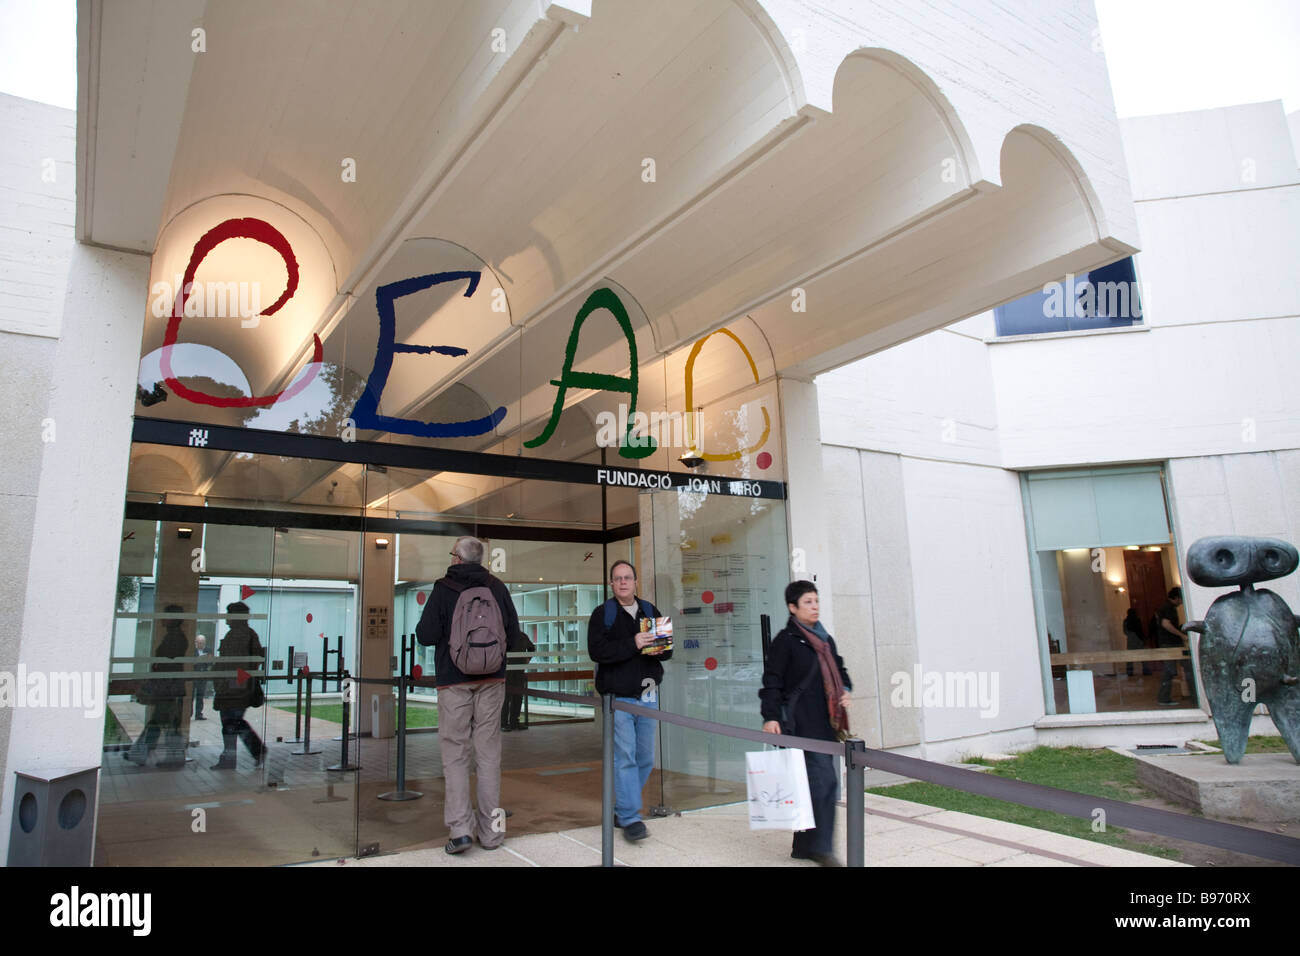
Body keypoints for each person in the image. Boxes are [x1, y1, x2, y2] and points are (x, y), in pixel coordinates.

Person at [416, 535, 523, 855]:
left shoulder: (443, 588)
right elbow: (515, 635)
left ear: (458, 559)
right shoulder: (497, 587)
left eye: (452, 555)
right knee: (489, 756)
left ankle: (461, 831)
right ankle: (492, 834)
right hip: (492, 680)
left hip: (453, 681)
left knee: (456, 754)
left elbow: (425, 635)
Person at [759, 580, 852, 866]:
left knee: (808, 784)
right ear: (792, 608)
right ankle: (823, 848)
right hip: (799, 724)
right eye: (808, 602)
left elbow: (839, 668)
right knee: (825, 782)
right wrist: (771, 716)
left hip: (825, 723)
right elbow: (771, 681)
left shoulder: (825, 639)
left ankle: (803, 846)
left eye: (816, 601)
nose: (815, 607)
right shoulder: (785, 641)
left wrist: (845, 690)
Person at [586, 559, 670, 843]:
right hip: (618, 698)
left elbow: (666, 653)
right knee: (625, 757)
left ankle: (622, 810)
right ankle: (631, 817)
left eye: (628, 578)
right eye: (618, 578)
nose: (623, 582)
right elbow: (597, 651)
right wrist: (633, 644)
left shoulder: (650, 611)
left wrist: (656, 646)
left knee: (644, 757)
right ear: (611, 584)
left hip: (647, 694)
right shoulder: (603, 614)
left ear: (635, 582)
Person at [125, 605, 188, 768]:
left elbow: (169, 663)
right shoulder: (173, 636)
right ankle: (143, 753)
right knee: (162, 722)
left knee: (164, 722)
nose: (162, 619)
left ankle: (159, 755)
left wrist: (156, 676)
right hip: (168, 686)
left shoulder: (174, 637)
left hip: (168, 686)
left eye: (165, 616)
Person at [212, 601, 265, 769]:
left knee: (232, 723)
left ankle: (246, 753)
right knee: (233, 722)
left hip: (234, 688)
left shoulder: (240, 635)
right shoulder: (243, 634)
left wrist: (233, 682)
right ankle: (247, 753)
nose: (227, 617)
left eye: (229, 614)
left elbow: (239, 663)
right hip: (235, 686)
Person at [1155, 586, 1197, 706]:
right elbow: (1166, 624)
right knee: (1172, 670)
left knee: (1178, 669)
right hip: (1170, 643)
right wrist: (1181, 635)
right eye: (1181, 599)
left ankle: (1191, 695)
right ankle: (1164, 698)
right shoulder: (1168, 608)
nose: (1182, 603)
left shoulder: (1165, 607)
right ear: (1177, 598)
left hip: (1169, 642)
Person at [501, 627, 536, 732]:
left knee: (518, 697)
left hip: (519, 671)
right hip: (507, 671)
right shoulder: (503, 636)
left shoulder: (522, 636)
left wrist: (527, 659)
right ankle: (503, 723)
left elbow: (532, 648)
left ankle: (514, 722)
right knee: (506, 698)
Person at [1122, 608, 1149, 677]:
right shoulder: (1137, 620)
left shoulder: (1126, 621)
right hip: (1138, 639)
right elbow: (1140, 630)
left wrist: (1130, 635)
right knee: (1142, 655)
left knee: (1130, 656)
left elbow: (1125, 631)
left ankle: (1129, 671)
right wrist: (1143, 638)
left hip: (1130, 640)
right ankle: (1146, 670)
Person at [192, 633, 211, 719]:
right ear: (196, 642)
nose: (201, 645)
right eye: (199, 643)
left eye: (202, 643)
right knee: (191, 695)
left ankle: (198, 714)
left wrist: (206, 659)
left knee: (200, 695)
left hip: (203, 676)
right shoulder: (192, 651)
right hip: (193, 676)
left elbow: (211, 662)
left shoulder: (208, 650)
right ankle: (189, 713)